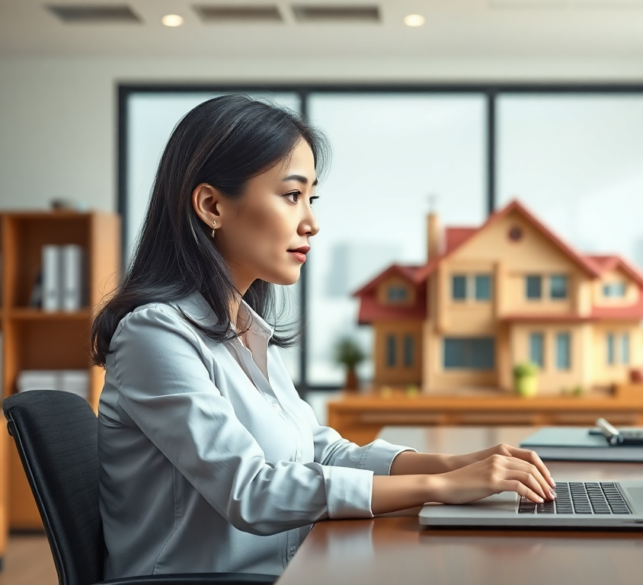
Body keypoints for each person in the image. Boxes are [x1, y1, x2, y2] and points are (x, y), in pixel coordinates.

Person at [91, 95, 555, 580]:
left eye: (310, 199)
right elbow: (250, 491)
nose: (311, 222)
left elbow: (320, 450)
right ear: (212, 206)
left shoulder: (242, 330)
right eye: (292, 196)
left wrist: (451, 466)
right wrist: (439, 488)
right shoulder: (155, 334)